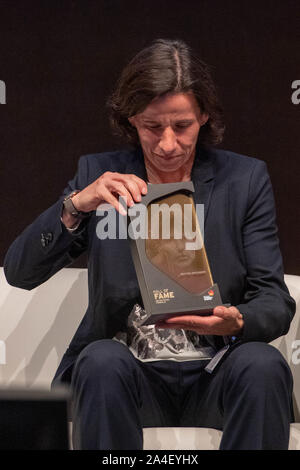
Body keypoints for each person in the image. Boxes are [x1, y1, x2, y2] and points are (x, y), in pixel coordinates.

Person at [4, 38, 296, 450]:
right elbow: (19, 273)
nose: (167, 144)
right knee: (100, 360)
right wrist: (76, 205)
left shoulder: (244, 181)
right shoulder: (100, 174)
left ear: (205, 116)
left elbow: (274, 300)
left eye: (182, 126)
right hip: (128, 378)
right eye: (151, 127)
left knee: (264, 364)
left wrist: (238, 321)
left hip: (215, 375)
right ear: (130, 121)